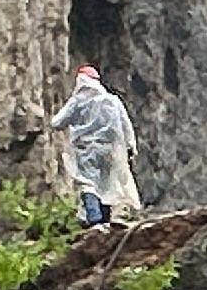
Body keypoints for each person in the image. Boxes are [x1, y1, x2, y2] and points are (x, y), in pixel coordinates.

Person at [48, 65, 142, 226]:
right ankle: (106, 220)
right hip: (110, 151)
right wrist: (131, 147)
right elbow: (126, 126)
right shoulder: (113, 100)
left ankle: (94, 219)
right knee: (107, 185)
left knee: (88, 184)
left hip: (85, 151)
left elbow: (56, 123)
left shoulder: (77, 102)